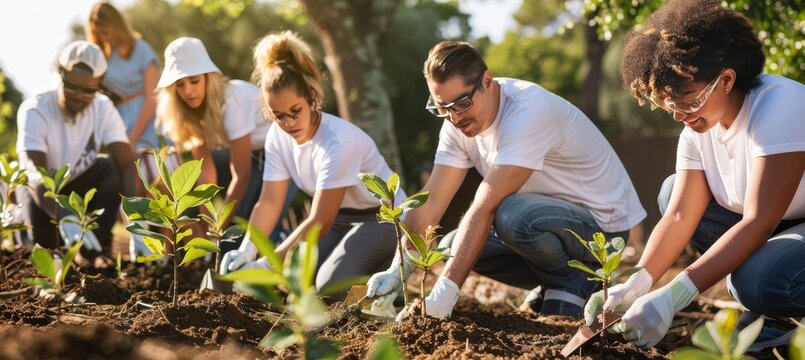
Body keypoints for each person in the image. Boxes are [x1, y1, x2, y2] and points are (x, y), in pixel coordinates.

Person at [365, 40, 646, 318]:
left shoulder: (529, 111)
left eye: (462, 103)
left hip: (603, 232)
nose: (454, 117)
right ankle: (558, 281)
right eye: (442, 107)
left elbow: (485, 205)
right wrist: (399, 269)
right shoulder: (455, 123)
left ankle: (571, 282)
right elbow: (433, 199)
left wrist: (443, 295)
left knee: (511, 213)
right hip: (551, 225)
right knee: (451, 246)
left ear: (487, 80)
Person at [583, 0, 805, 351]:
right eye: (666, 102)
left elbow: (760, 221)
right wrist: (636, 283)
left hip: (781, 222)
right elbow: (681, 214)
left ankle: (775, 303)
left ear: (727, 80)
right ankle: (773, 314)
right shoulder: (697, 131)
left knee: (758, 281)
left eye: (686, 99)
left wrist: (673, 296)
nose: (677, 114)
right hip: (782, 225)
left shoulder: (779, 107)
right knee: (671, 192)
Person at [219, 31, 404, 300]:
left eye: (295, 111)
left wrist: (266, 264)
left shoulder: (339, 141)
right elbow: (269, 202)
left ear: (312, 98)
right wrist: (247, 250)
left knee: (330, 287)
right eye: (278, 116)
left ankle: (391, 284)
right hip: (341, 219)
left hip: (383, 219)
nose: (289, 123)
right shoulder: (277, 136)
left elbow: (320, 221)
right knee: (295, 282)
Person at [154, 37, 294, 255]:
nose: (188, 91)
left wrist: (218, 226)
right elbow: (205, 172)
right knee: (228, 243)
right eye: (180, 85)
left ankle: (282, 243)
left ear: (208, 78)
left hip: (285, 156)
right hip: (254, 158)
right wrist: (205, 220)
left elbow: (241, 174)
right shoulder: (192, 110)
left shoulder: (232, 100)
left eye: (194, 81)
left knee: (248, 236)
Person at [15, 40, 136, 264]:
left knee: (112, 169)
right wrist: (64, 216)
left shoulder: (103, 107)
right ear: (59, 74)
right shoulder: (36, 109)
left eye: (89, 90)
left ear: (99, 85)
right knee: (50, 263)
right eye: (72, 86)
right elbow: (34, 173)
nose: (79, 96)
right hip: (41, 192)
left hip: (77, 187)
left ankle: (95, 251)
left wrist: (138, 222)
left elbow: (127, 164)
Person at [86, 2, 160, 152]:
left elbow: (153, 96)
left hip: (147, 120)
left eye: (105, 32)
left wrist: (133, 138)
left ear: (117, 26)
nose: (103, 37)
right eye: (98, 33)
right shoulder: (102, 58)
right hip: (118, 123)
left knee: (152, 167)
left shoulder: (141, 49)